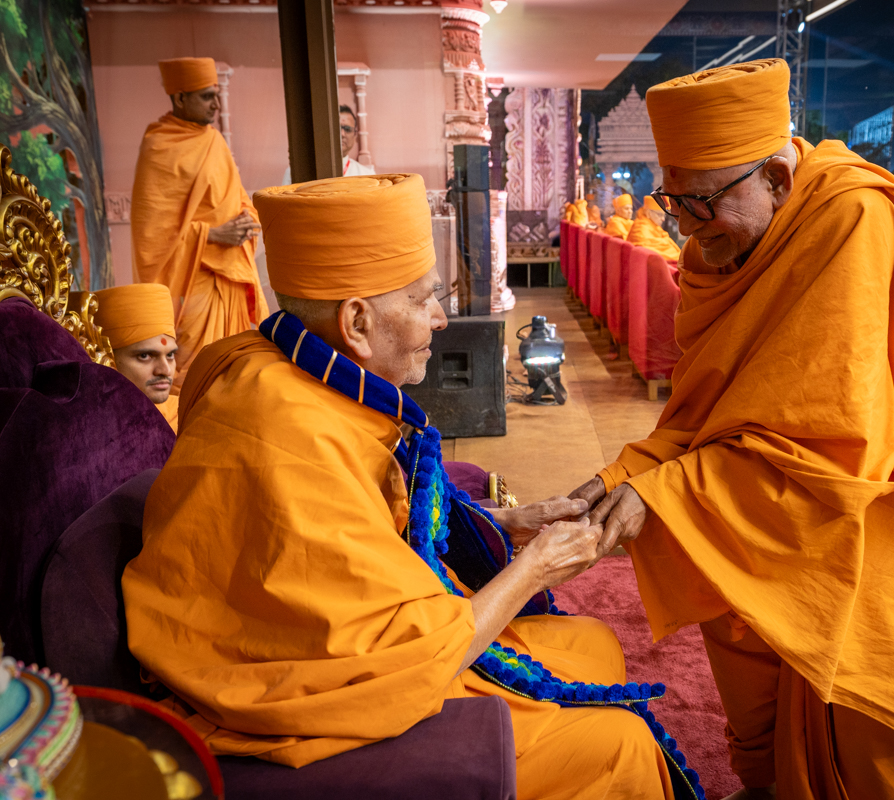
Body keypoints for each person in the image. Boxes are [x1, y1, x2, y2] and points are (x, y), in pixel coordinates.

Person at [571, 59, 894, 800]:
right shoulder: (720, 241)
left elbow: (831, 433)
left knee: (878, 714)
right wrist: (613, 484)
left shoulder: (852, 220)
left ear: (775, 176)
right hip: (774, 476)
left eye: (703, 204)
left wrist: (664, 494)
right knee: (738, 615)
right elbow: (710, 410)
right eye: (675, 205)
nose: (692, 236)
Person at [121, 174, 699, 800]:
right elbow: (402, 656)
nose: (442, 319)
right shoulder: (285, 434)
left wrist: (501, 523)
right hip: (305, 694)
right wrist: (532, 570)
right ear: (358, 323)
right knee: (622, 745)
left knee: (592, 644)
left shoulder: (286, 367)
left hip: (356, 648)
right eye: (425, 300)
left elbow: (371, 530)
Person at [132, 57, 268, 392]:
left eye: (216, 95)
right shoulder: (158, 145)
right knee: (194, 369)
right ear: (179, 98)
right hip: (194, 281)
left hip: (230, 276)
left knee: (233, 369)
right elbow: (152, 234)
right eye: (207, 96)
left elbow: (237, 200)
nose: (217, 105)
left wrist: (248, 219)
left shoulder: (215, 142)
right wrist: (212, 234)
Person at [92, 284, 180, 431]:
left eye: (170, 355)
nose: (165, 370)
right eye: (145, 356)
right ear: (105, 358)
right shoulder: (91, 431)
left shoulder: (188, 417)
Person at [282, 105, 375, 183]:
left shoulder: (366, 176)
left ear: (355, 135)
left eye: (347, 129)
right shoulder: (294, 173)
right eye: (336, 128)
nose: (342, 134)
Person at [627, 195, 681, 261]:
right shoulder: (640, 229)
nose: (663, 219)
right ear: (648, 213)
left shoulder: (654, 226)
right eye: (660, 215)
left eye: (664, 215)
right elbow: (655, 254)